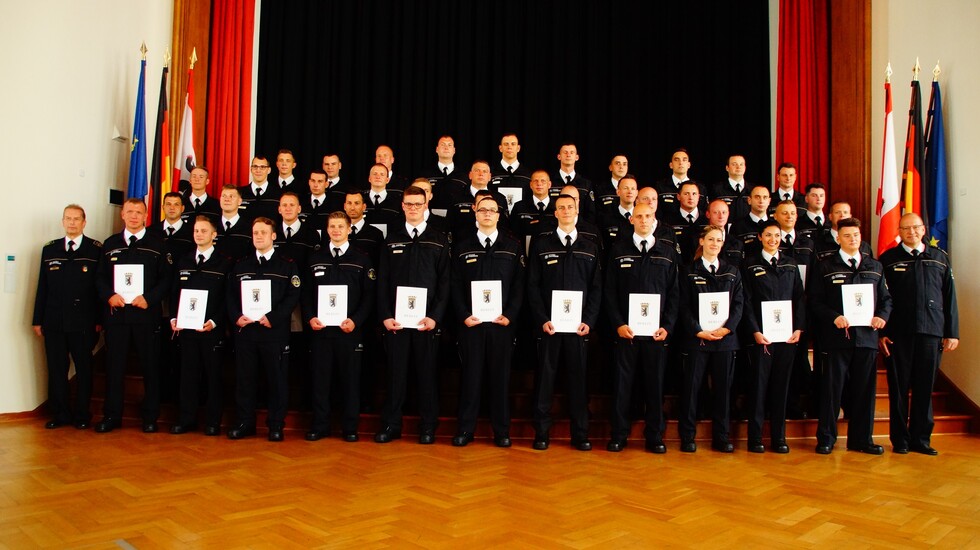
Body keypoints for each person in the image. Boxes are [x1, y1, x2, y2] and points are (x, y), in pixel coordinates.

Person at [374, 186, 451, 444]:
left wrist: (435, 317)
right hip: (396, 323)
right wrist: (385, 316)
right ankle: (391, 425)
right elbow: (382, 281)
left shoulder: (438, 239)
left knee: (427, 376)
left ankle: (428, 427)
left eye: (418, 204)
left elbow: (445, 284)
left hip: (425, 324)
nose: (414, 208)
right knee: (395, 376)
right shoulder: (392, 239)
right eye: (409, 204)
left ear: (426, 204)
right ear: (403, 206)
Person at [526, 194, 602, 451]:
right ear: (555, 213)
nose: (566, 211)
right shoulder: (542, 244)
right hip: (550, 328)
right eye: (561, 208)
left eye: (570, 207)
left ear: (577, 211)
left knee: (578, 381)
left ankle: (580, 433)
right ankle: (542, 433)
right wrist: (542, 319)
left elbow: (596, 289)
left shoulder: (589, 246)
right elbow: (532, 286)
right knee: (544, 381)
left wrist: (589, 320)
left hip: (578, 329)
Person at [810, 218, 892, 455]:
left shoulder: (874, 266)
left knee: (865, 391)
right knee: (832, 390)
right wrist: (834, 316)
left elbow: (886, 299)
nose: (852, 239)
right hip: (837, 339)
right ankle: (826, 438)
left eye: (856, 235)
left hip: (866, 338)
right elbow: (815, 301)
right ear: (838, 238)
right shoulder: (826, 266)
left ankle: (861, 439)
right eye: (847, 236)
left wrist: (882, 317)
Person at [879, 213, 959, 455]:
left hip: (931, 332)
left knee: (925, 387)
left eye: (915, 227)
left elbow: (950, 297)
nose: (911, 232)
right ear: (899, 231)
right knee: (899, 388)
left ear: (923, 230)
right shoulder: (887, 259)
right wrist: (882, 333)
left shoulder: (939, 258)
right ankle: (900, 440)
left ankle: (921, 440)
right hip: (898, 335)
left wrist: (951, 332)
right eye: (905, 228)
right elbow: (882, 299)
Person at [450, 196, 525, 447]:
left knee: (500, 379)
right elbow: (455, 285)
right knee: (470, 378)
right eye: (483, 210)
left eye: (492, 211)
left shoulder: (512, 246)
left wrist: (510, 315)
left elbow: (519, 286)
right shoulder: (462, 246)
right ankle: (466, 429)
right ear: (475, 213)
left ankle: (501, 431)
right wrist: (463, 315)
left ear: (499, 214)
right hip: (472, 324)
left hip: (501, 325)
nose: (487, 214)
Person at [603, 202, 678, 453]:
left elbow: (675, 294)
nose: (644, 220)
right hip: (627, 334)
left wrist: (667, 326)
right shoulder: (618, 250)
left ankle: (655, 435)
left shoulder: (667, 252)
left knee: (655, 386)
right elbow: (609, 293)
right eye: (639, 216)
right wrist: (618, 324)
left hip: (657, 336)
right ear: (631, 220)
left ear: (654, 219)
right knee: (622, 386)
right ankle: (619, 434)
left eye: (648, 216)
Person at [94, 198, 172, 433]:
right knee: (114, 368)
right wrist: (109, 295)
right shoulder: (109, 244)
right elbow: (99, 278)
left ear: (146, 215)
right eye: (130, 212)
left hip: (146, 317)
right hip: (117, 317)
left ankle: (150, 417)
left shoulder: (157, 244)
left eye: (139, 212)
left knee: (150, 368)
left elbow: (167, 279)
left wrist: (149, 298)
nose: (134, 216)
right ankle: (112, 416)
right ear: (122, 215)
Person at [302, 211, 376, 442]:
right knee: (320, 381)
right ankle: (320, 425)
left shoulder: (361, 259)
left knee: (350, 381)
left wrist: (356, 320)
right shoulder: (315, 259)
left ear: (349, 229)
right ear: (327, 230)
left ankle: (350, 427)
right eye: (332, 227)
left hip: (350, 331)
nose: (336, 230)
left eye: (340, 227)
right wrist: (310, 317)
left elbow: (369, 296)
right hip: (321, 331)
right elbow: (305, 294)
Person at [226, 217, 301, 441]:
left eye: (263, 233)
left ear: (273, 236)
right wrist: (236, 317)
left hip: (274, 332)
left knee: (277, 380)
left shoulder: (286, 264)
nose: (258, 236)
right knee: (245, 380)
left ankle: (276, 425)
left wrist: (273, 317)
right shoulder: (241, 265)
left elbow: (293, 295)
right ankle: (244, 422)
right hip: (246, 332)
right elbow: (230, 296)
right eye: (255, 232)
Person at [32, 204, 101, 430]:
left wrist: (99, 320)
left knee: (83, 370)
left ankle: (82, 415)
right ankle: (60, 413)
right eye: (68, 218)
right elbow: (42, 287)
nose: (72, 223)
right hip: (54, 321)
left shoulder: (94, 249)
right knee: (57, 369)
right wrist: (37, 319)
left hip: (83, 322)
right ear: (62, 222)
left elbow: (99, 289)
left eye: (76, 219)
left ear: (84, 222)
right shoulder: (50, 249)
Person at [739, 219, 805, 453]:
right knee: (758, 387)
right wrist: (755, 330)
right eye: (768, 235)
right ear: (759, 237)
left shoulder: (790, 264)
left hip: (786, 337)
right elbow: (745, 302)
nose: (773, 240)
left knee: (781, 387)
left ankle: (779, 437)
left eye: (777, 235)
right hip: (760, 337)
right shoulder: (748, 265)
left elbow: (799, 298)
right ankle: (755, 438)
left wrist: (798, 328)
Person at [676, 225, 744, 452]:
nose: (715, 243)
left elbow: (738, 305)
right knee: (691, 389)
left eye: (719, 240)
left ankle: (721, 437)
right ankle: (687, 437)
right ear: (702, 241)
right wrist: (697, 330)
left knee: (723, 392)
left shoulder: (732, 271)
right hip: (697, 340)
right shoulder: (688, 271)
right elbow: (682, 306)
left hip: (725, 341)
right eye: (711, 239)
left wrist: (727, 329)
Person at [168, 216, 232, 435]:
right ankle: (187, 419)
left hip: (211, 330)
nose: (199, 234)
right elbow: (175, 293)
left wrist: (215, 321)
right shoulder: (184, 261)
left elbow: (228, 298)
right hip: (186, 330)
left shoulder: (224, 262)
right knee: (188, 376)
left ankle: (213, 422)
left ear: (214, 235)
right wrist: (173, 318)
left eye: (204, 231)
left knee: (214, 377)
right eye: (196, 230)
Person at [419, 135, 469, 214]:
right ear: (437, 149)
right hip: (431, 220)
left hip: (458, 219)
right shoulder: (426, 175)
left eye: (449, 145)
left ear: (454, 150)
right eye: (443, 145)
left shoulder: (464, 176)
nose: (446, 148)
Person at [551, 143, 596, 223]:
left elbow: (591, 212)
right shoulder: (550, 183)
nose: (568, 155)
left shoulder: (586, 184)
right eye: (565, 152)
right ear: (559, 156)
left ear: (576, 157)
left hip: (580, 229)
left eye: (571, 152)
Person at [507, 169, 554, 246]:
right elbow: (513, 234)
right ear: (530, 185)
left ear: (549, 184)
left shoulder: (558, 207)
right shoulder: (519, 207)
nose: (539, 184)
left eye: (543, 181)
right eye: (536, 181)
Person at [665, 182, 708, 264]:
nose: (691, 197)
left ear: (699, 197)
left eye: (694, 194)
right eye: (686, 194)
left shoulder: (707, 220)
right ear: (678, 196)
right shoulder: (669, 221)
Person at [597, 173, 637, 251]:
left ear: (637, 193)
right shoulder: (605, 218)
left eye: (633, 188)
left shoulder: (643, 218)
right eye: (626, 188)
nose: (630, 192)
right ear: (618, 192)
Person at [214, 184, 253, 261]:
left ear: (239, 201)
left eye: (231, 196)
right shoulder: (211, 226)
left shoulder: (249, 228)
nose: (227, 199)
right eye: (224, 196)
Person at [729, 184, 771, 255]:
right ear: (749, 200)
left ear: (769, 201)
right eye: (757, 197)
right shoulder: (737, 226)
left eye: (765, 197)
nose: (761, 201)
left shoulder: (775, 225)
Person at [708, 154, 752, 221]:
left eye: (741, 164)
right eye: (734, 164)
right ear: (727, 168)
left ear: (745, 167)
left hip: (747, 230)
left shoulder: (753, 190)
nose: (738, 167)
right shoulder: (717, 189)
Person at [239, 156, 282, 222]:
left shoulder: (278, 194)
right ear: (251, 169)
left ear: (269, 170)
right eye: (255, 166)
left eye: (262, 167)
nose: (258, 170)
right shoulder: (240, 193)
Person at [490, 133, 532, 198]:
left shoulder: (528, 175)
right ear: (500, 148)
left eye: (513, 144)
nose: (509, 147)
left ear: (518, 148)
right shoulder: (491, 173)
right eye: (506, 144)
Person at [363, 163, 404, 230]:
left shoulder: (397, 202)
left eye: (382, 174)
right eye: (375, 174)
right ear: (369, 179)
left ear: (387, 180)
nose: (378, 177)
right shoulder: (361, 200)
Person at [299, 169, 334, 237]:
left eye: (320, 181)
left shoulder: (334, 205)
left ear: (326, 184)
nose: (315, 185)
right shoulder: (301, 202)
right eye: (313, 181)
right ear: (309, 182)